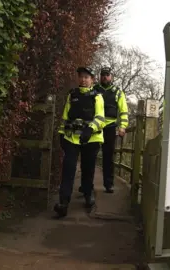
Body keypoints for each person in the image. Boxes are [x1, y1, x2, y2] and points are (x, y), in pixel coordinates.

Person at [54, 67, 105, 218]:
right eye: (81, 77)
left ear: (92, 80)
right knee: (68, 169)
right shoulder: (72, 95)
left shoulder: (97, 97)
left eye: (86, 77)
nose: (83, 79)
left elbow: (100, 118)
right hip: (72, 138)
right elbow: (65, 117)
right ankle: (63, 202)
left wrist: (90, 129)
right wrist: (61, 134)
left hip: (91, 139)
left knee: (87, 168)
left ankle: (88, 194)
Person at [78, 66, 129, 193]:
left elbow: (123, 111)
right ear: (100, 76)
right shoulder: (94, 89)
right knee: (89, 156)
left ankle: (108, 183)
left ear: (111, 76)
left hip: (110, 126)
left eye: (107, 74)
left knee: (108, 156)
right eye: (103, 74)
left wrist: (122, 126)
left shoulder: (117, 92)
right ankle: (86, 184)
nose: (105, 77)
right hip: (93, 126)